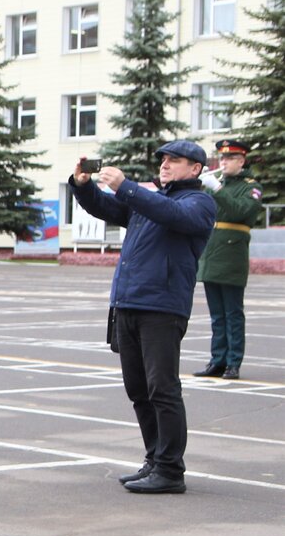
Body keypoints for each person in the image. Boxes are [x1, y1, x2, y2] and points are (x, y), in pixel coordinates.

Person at [70, 142, 217, 494]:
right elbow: (106, 207)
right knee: (138, 389)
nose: (165, 165)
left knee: (162, 389)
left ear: (195, 169)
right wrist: (84, 185)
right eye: (163, 159)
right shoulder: (147, 201)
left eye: (174, 161)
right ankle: (154, 460)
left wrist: (128, 186)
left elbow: (172, 215)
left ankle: (170, 470)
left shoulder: (198, 203)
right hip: (129, 303)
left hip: (162, 308)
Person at [192, 138, 266, 381]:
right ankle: (217, 360)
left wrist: (218, 189)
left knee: (233, 313)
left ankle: (233, 362)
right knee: (216, 314)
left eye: (230, 158)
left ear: (241, 161)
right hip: (213, 252)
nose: (223, 163)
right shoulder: (218, 184)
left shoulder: (251, 186)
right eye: (222, 158)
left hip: (232, 254)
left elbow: (240, 212)